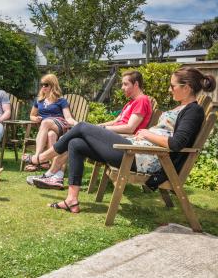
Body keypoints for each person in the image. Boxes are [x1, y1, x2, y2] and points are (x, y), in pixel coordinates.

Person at [23, 67, 216, 213]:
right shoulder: (180, 108)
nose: (169, 89)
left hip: (139, 158)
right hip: (136, 150)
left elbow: (176, 144)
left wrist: (147, 133)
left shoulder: (194, 111)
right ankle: (72, 199)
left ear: (187, 87)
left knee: (81, 127)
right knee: (76, 143)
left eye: (173, 86)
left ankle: (39, 159)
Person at [28, 70, 152, 189]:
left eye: (125, 84)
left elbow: (130, 128)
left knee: (80, 127)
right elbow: (116, 121)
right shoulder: (131, 103)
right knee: (74, 141)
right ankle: (55, 176)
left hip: (124, 146)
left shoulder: (141, 100)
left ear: (136, 84)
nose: (122, 87)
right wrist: (98, 127)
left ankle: (41, 159)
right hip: (115, 141)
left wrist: (103, 128)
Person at [24, 73, 77, 172]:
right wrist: (35, 119)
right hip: (46, 129)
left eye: (46, 84)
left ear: (53, 85)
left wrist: (77, 124)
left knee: (46, 122)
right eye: (42, 84)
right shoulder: (39, 101)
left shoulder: (61, 101)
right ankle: (53, 168)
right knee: (51, 135)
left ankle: (36, 158)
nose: (43, 87)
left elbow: (68, 118)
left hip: (60, 125)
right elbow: (32, 115)